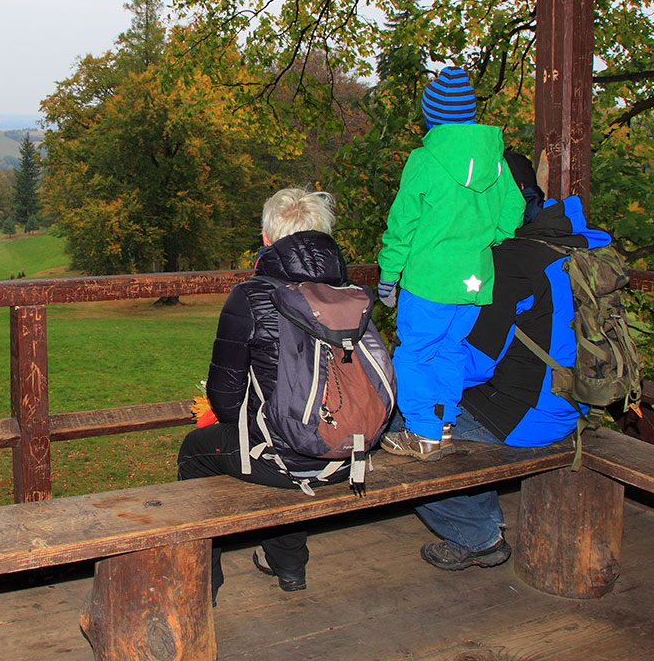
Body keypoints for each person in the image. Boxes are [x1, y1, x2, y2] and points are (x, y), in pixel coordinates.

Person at [411, 155, 612, 570]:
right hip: (578, 404)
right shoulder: (581, 244)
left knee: (408, 422)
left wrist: (417, 365)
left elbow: (477, 364)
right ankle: (480, 517)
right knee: (448, 402)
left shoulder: (510, 262)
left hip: (528, 416)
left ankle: (477, 536)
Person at [177, 186, 353, 598]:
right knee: (289, 436)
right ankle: (288, 565)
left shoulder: (251, 295)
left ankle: (205, 580)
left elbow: (224, 400)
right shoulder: (349, 291)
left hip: (285, 460)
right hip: (346, 450)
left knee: (196, 451)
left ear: (267, 238)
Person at [376, 65, 525, 460]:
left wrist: (389, 274)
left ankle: (422, 431)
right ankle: (443, 423)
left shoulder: (424, 160)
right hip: (474, 282)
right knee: (452, 349)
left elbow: (401, 224)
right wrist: (487, 239)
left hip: (429, 281)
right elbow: (514, 210)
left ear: (433, 115)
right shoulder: (496, 160)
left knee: (414, 353)